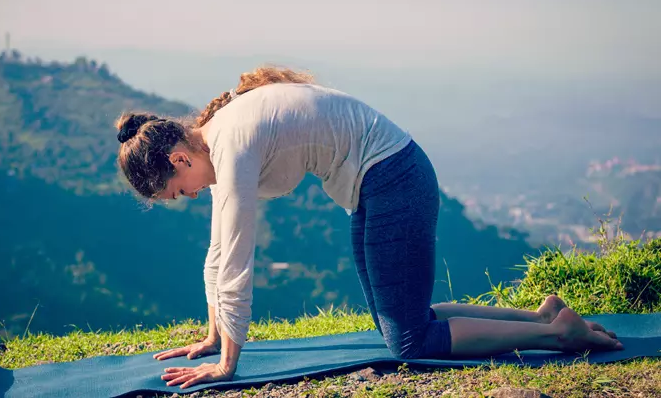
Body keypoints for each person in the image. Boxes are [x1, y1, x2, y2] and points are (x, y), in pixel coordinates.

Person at [114, 66, 623, 390]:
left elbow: (237, 257)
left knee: (409, 343)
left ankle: (559, 336)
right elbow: (218, 249)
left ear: (179, 159)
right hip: (383, 182)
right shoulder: (223, 138)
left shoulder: (232, 146)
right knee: (402, 322)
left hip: (394, 180)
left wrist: (227, 362)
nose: (191, 196)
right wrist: (210, 335)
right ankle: (542, 316)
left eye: (179, 191)